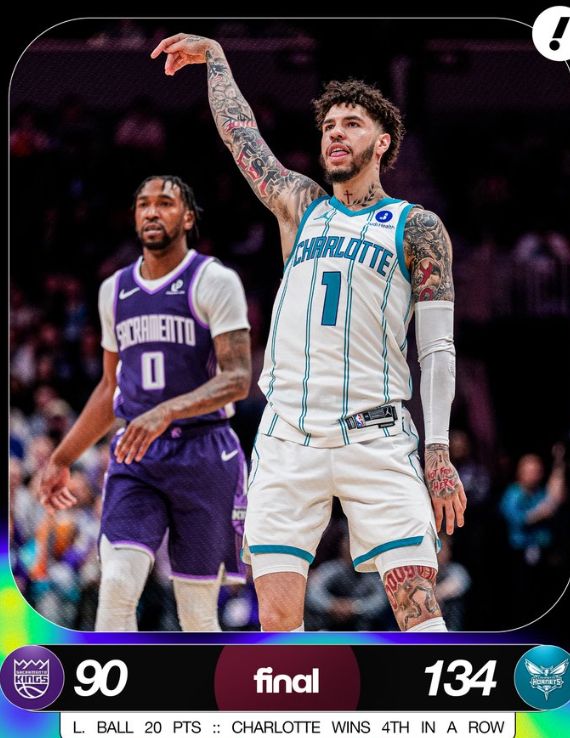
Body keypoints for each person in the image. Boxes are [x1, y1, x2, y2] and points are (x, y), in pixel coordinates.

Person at [151, 35, 466, 632]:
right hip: (288, 436)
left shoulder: (416, 228)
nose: (335, 134)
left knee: (419, 610)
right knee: (276, 620)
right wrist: (216, 60)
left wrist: (439, 452)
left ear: (383, 142)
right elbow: (241, 137)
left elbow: (437, 349)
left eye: (352, 124)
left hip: (375, 435)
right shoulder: (301, 206)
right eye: (328, 126)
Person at [39, 175, 252, 631]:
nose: (152, 211)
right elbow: (108, 388)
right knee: (116, 585)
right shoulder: (114, 290)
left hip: (204, 451)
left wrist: (167, 410)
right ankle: (117, 681)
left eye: (165, 203)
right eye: (143, 204)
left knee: (196, 613)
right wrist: (62, 459)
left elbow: (237, 379)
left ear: (188, 218)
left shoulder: (214, 281)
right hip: (138, 454)